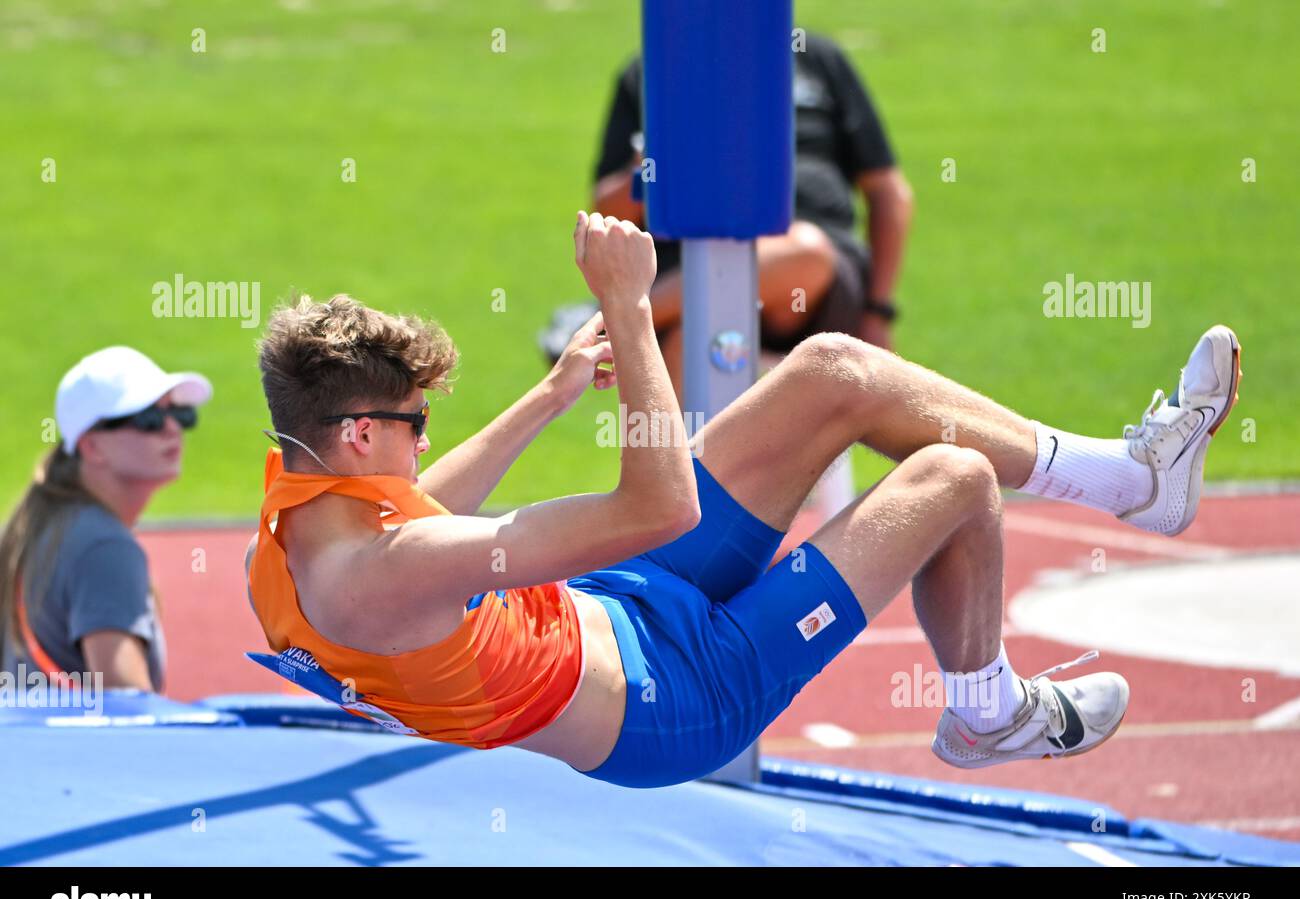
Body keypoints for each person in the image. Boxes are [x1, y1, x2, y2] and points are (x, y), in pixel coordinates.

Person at [247, 212, 1240, 788]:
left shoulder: (300, 504)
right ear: (359, 436)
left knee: (834, 368)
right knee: (951, 479)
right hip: (671, 696)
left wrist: (548, 400)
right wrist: (636, 310)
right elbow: (655, 508)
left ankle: (1137, 479)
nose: (424, 439)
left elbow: (410, 498)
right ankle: (988, 711)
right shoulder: (379, 574)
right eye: (415, 422)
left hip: (621, 601)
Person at [540, 31, 914, 396]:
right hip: (689, 262)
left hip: (816, 276)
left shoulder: (814, 58)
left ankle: (611, 322)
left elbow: (888, 191)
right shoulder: (650, 71)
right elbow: (606, 210)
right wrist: (658, 158)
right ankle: (676, 454)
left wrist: (877, 311)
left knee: (803, 250)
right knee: (697, 327)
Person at [0, 347, 212, 692]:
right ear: (92, 446)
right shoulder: (105, 547)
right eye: (148, 419)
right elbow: (127, 708)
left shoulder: (40, 528)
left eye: (180, 414)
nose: (172, 428)